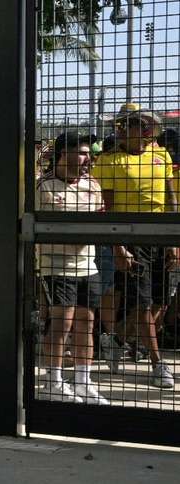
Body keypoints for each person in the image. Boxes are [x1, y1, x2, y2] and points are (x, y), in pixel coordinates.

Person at [92, 104, 177, 388]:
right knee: (143, 303)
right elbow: (108, 209)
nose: (142, 129)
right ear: (122, 129)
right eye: (134, 124)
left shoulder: (160, 154)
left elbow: (170, 198)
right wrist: (117, 246)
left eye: (145, 124)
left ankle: (116, 339)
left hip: (161, 236)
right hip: (130, 237)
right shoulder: (108, 161)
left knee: (162, 301)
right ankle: (157, 364)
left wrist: (174, 240)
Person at [36, 132, 108, 405]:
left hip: (87, 265)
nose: (88, 158)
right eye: (82, 152)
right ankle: (53, 381)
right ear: (63, 154)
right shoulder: (43, 186)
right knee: (60, 324)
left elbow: (101, 220)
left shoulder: (92, 184)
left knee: (86, 323)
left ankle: (83, 381)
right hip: (55, 265)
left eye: (89, 153)